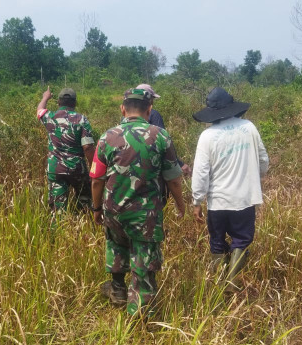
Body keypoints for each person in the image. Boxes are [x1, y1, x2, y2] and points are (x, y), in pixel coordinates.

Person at [90, 87, 186, 317]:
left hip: (113, 211)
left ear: (123, 109)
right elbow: (173, 178)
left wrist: (96, 208)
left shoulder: (107, 137)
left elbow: (96, 179)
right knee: (143, 263)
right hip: (146, 215)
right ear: (149, 109)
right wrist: (181, 205)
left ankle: (118, 291)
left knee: (116, 246)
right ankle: (140, 317)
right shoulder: (160, 136)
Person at [191, 87, 269, 290]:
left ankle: (218, 285)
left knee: (217, 241)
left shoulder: (207, 136)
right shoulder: (249, 127)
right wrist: (255, 177)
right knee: (241, 239)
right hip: (245, 199)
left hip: (217, 202)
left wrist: (197, 201)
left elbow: (200, 172)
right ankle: (233, 284)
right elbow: (263, 159)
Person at [37, 86, 95, 212]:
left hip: (55, 169)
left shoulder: (50, 117)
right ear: (75, 103)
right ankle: (83, 224)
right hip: (77, 168)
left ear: (58, 102)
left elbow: (39, 110)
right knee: (84, 202)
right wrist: (93, 168)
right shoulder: (81, 119)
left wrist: (45, 97)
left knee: (57, 211)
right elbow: (88, 147)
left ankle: (58, 227)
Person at [136, 84, 192, 177]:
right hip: (152, 169)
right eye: (152, 98)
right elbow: (163, 143)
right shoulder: (153, 114)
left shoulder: (124, 118)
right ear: (148, 99)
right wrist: (180, 164)